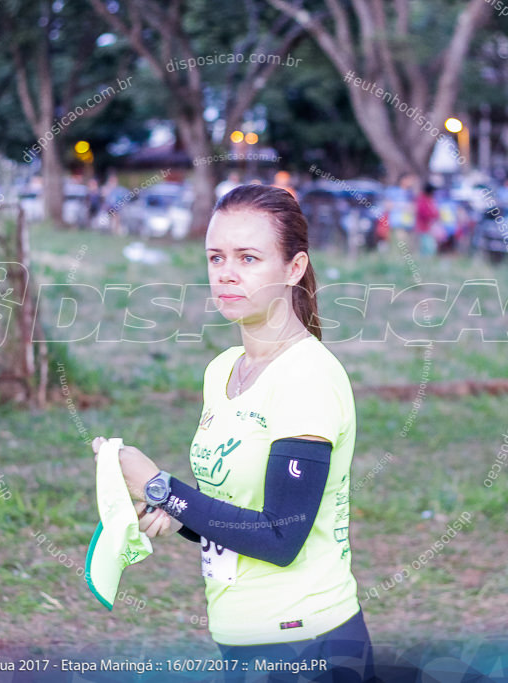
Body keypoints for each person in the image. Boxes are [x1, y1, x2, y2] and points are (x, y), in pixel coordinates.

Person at [91, 184, 375, 682]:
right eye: (216, 256)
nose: (226, 272)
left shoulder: (308, 376)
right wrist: (177, 517)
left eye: (248, 257)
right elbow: (237, 518)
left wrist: (161, 486)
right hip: (242, 636)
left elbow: (280, 535)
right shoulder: (222, 370)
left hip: (307, 640)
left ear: (294, 268)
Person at [415, 182, 439, 255]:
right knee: (427, 247)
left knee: (431, 247)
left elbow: (436, 213)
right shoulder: (422, 200)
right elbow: (424, 213)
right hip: (423, 228)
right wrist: (433, 215)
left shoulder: (430, 200)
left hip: (430, 228)